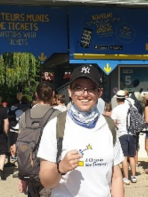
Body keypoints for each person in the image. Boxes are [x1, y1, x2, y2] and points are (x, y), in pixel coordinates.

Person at [37, 64, 124, 197]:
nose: (85, 94)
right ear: (70, 92)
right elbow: (46, 181)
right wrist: (60, 168)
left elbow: (116, 176)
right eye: (78, 88)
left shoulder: (108, 126)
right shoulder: (55, 126)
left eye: (91, 89)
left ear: (99, 93)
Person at [17, 81, 60, 197]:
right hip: (51, 170)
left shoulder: (25, 116)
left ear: (36, 95)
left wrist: (22, 176)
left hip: (30, 170)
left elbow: (22, 148)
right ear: (53, 95)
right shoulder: (59, 116)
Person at [111, 89, 137, 184]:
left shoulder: (116, 110)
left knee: (124, 157)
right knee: (132, 156)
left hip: (122, 133)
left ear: (117, 99)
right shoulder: (131, 107)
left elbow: (114, 123)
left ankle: (126, 177)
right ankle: (133, 176)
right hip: (132, 133)